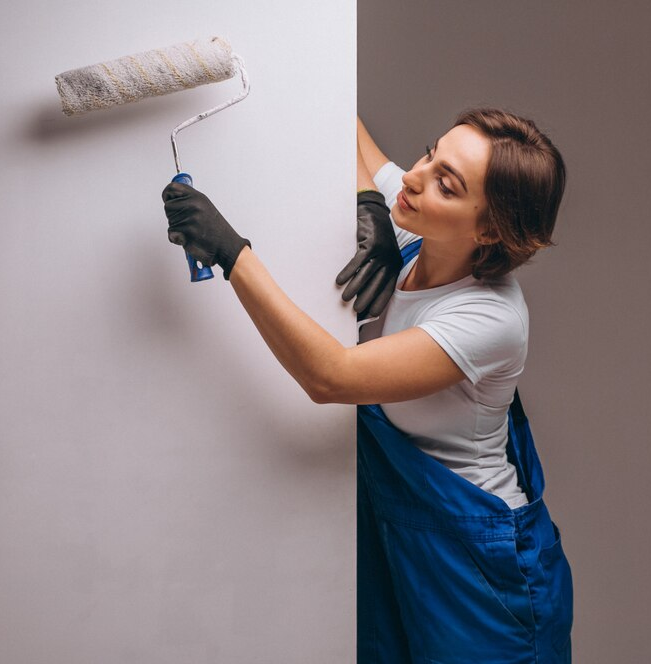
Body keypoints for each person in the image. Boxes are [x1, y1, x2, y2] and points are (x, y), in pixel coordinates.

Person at [162, 109, 573, 663]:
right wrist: (368, 203)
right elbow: (342, 119)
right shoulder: (413, 220)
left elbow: (330, 377)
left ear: (489, 229)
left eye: (446, 184)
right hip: (404, 535)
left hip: (480, 563)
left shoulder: (490, 317)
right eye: (430, 154)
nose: (414, 177)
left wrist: (231, 252)